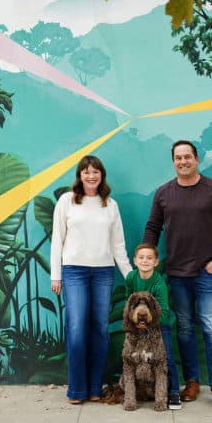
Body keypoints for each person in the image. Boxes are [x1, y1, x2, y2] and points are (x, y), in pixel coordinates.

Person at [143, 140, 212, 411]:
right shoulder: (164, 193)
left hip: (206, 274)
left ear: (197, 159)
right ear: (173, 161)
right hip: (177, 274)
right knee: (184, 329)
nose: (183, 161)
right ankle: (192, 382)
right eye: (178, 157)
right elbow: (152, 227)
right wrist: (147, 261)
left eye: (187, 156)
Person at [50, 154, 132, 404]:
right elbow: (57, 240)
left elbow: (118, 246)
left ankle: (95, 388)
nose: (91, 175)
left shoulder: (110, 205)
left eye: (95, 171)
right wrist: (57, 275)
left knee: (100, 329)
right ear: (80, 175)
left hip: (103, 273)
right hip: (74, 271)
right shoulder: (67, 201)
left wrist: (131, 277)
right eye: (86, 171)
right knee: (76, 329)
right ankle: (76, 390)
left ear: (101, 175)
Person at [124, 243, 181, 410]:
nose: (145, 261)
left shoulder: (159, 284)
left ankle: (174, 392)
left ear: (156, 262)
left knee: (166, 358)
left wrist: (148, 321)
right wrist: (134, 320)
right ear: (135, 261)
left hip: (159, 324)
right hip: (136, 327)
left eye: (149, 258)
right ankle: (131, 397)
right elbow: (129, 304)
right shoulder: (131, 278)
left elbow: (163, 312)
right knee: (129, 359)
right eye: (141, 258)